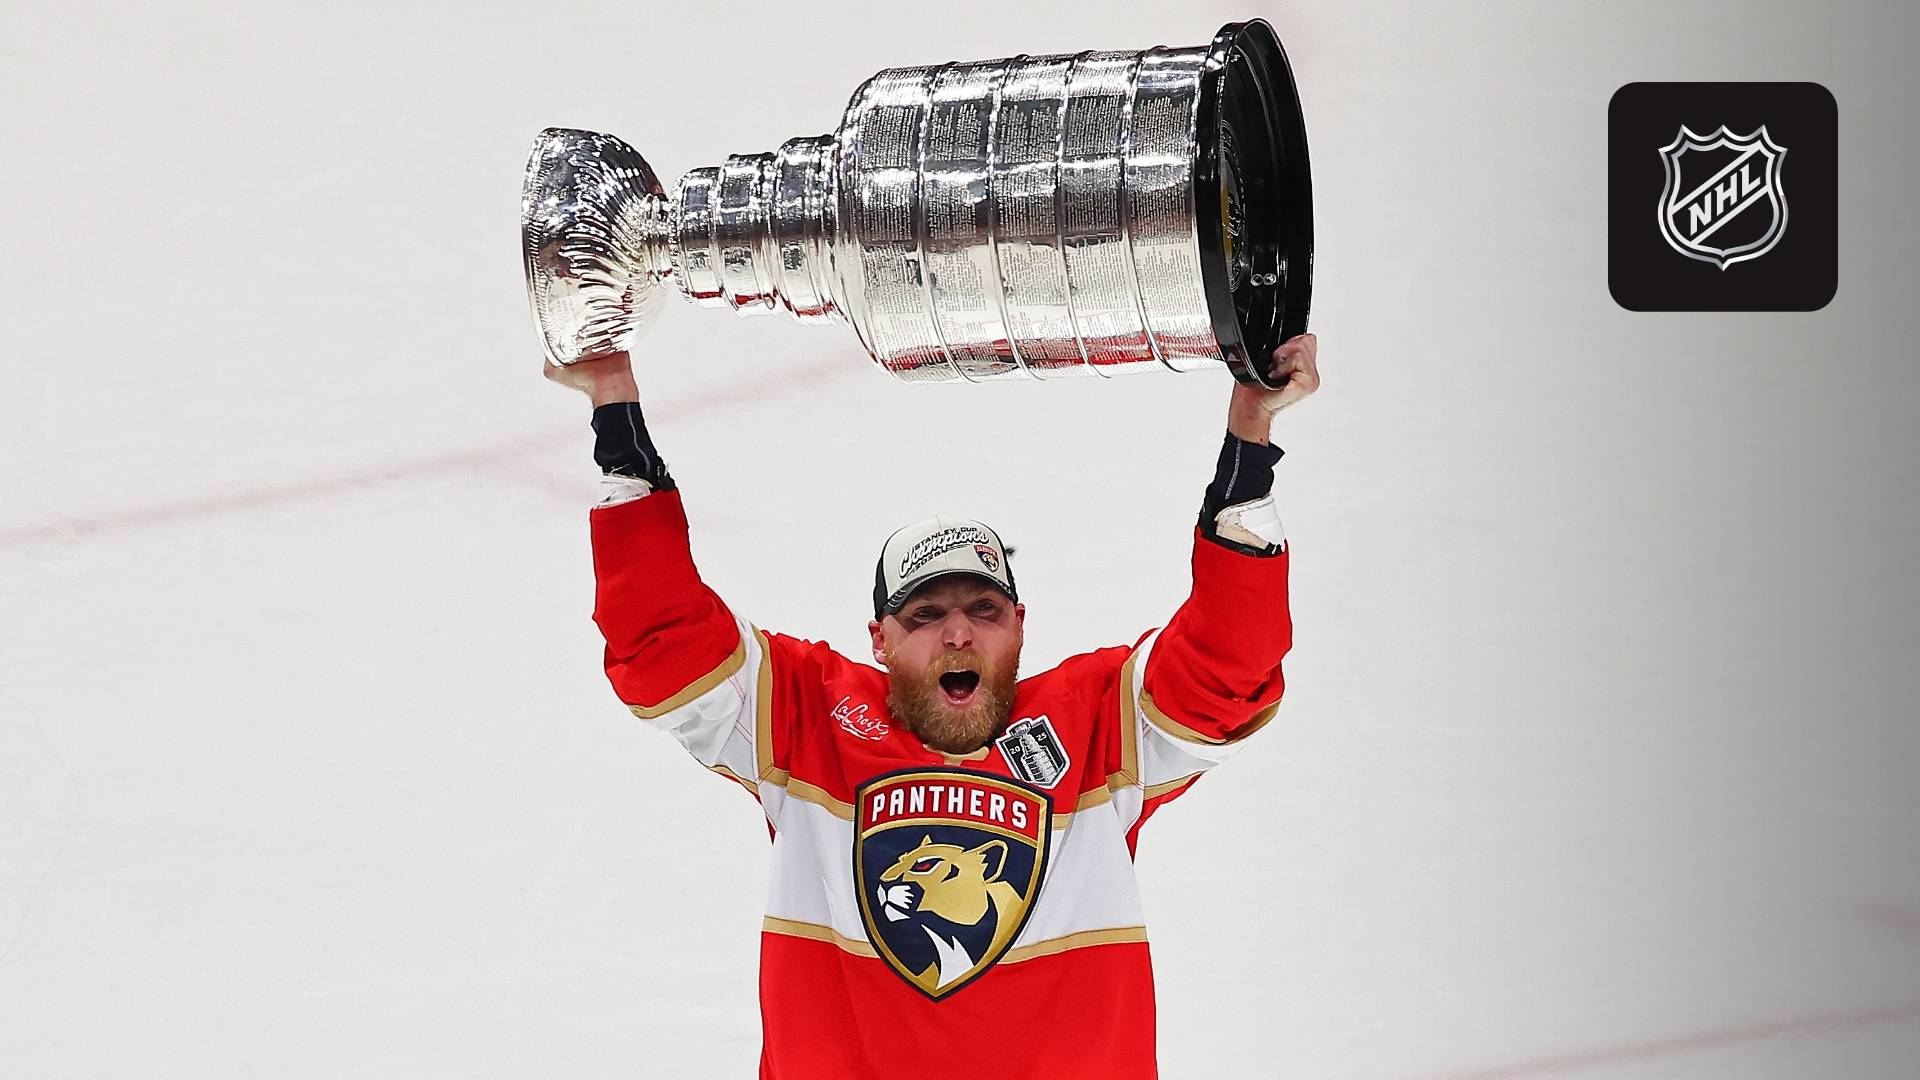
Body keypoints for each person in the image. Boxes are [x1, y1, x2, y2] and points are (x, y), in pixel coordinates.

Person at [546, 334, 1320, 1079]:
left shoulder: (1096, 726)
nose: (957, 633)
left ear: (1020, 626)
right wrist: (616, 410)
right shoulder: (807, 718)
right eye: (924, 616)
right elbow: (661, 638)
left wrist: (1249, 442)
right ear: (878, 639)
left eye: (984, 610)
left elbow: (1230, 662)